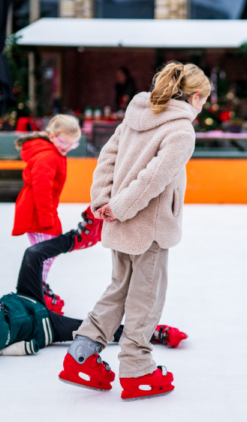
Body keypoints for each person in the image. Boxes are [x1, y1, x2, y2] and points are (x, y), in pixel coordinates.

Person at [58, 62, 211, 400]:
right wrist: (121, 206)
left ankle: (81, 354)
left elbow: (106, 158)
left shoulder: (137, 113)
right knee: (147, 296)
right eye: (204, 102)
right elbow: (153, 179)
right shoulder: (181, 131)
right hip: (149, 228)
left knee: (119, 288)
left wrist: (103, 201)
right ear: (196, 97)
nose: (202, 109)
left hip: (119, 221)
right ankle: (137, 367)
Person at [0, 228, 188, 361]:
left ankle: (79, 237)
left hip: (25, 298)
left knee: (32, 254)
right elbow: (1, 351)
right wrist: (28, 346)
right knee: (94, 329)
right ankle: (156, 334)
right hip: (44, 327)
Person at [11, 115, 84, 314]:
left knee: (42, 253)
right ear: (51, 136)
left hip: (40, 210)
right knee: (44, 253)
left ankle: (38, 287)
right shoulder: (47, 156)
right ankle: (37, 290)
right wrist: (46, 219)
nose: (68, 147)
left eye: (73, 144)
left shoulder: (55, 152)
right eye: (64, 142)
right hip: (37, 212)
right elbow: (42, 190)